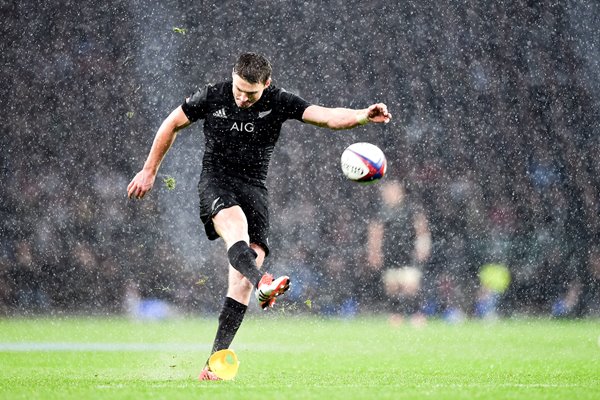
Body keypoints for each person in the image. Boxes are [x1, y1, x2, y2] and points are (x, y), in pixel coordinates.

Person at [127, 52, 392, 380]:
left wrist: (363, 116)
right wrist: (149, 170)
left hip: (255, 189)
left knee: (239, 284)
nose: (241, 98)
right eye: (238, 89)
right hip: (217, 181)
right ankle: (264, 282)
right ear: (233, 77)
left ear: (266, 84)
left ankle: (213, 365)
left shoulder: (279, 101)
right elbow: (172, 124)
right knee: (236, 230)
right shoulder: (213, 96)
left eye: (250, 93)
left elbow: (325, 117)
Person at [366, 179, 430, 325]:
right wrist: (374, 252)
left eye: (394, 191)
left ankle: (417, 315)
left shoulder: (410, 209)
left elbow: (421, 228)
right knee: (392, 286)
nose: (391, 195)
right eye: (388, 192)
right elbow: (375, 232)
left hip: (408, 252)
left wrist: (423, 246)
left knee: (411, 286)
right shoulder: (381, 211)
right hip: (390, 253)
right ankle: (396, 315)